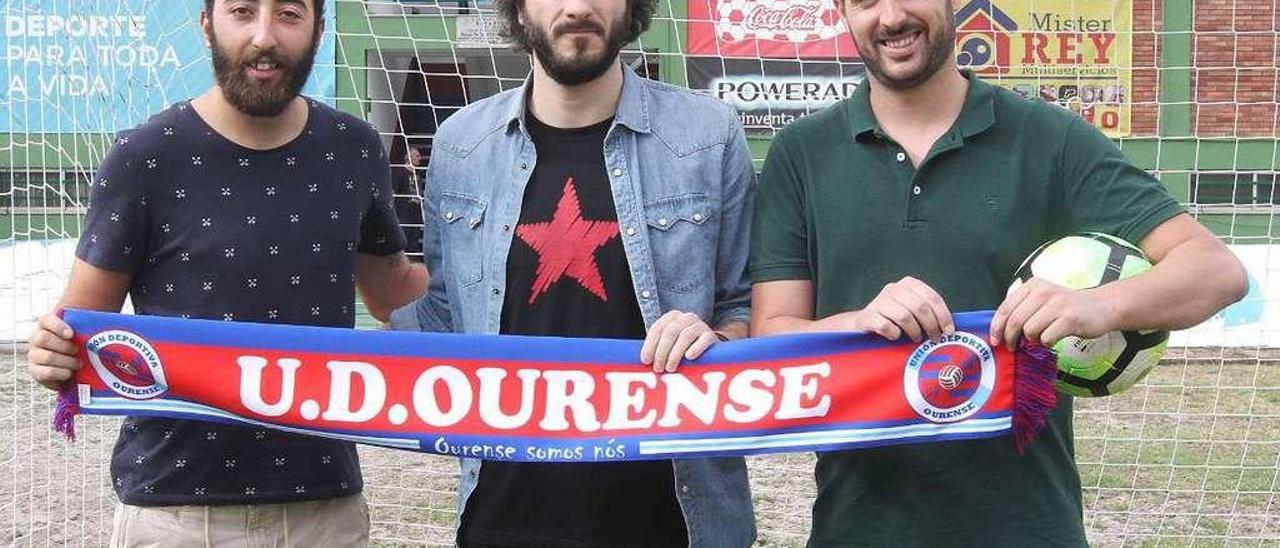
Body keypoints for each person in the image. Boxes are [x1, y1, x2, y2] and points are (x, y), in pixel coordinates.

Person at [748, 0, 1247, 546]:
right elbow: (772, 335)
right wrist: (861, 323)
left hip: (1026, 523)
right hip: (858, 524)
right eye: (867, 1)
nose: (890, 17)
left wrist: (1099, 304)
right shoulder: (801, 153)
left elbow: (1216, 271)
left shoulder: (1048, 137)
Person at [25, 0, 427, 545]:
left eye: (288, 14)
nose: (264, 36)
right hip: (173, 512)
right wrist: (52, 350)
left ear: (317, 30)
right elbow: (78, 324)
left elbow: (393, 293)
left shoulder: (353, 148)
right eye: (243, 11)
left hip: (323, 507)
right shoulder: (145, 154)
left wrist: (506, 282)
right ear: (207, 25)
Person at [387, 0, 757, 545]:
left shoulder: (708, 134)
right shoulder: (461, 145)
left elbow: (745, 304)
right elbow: (444, 313)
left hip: (671, 517)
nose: (579, 7)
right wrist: (310, 367)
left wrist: (718, 338)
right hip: (501, 516)